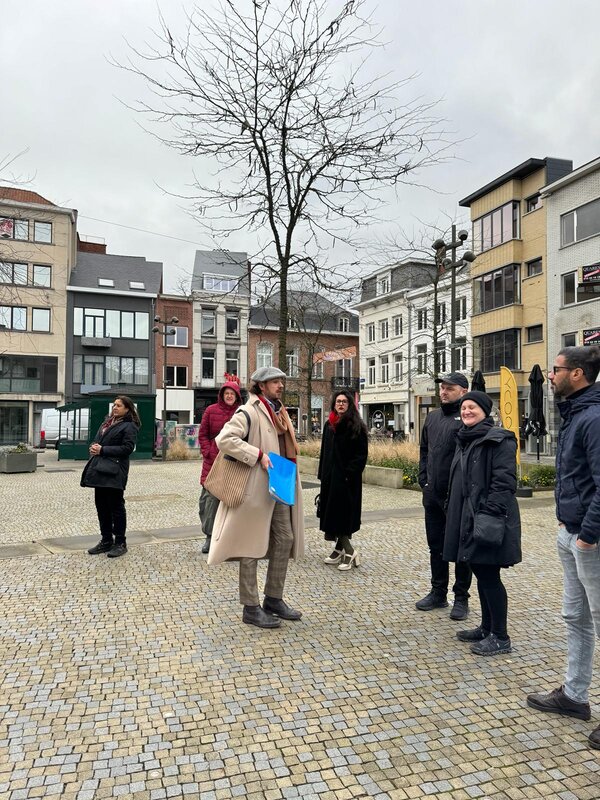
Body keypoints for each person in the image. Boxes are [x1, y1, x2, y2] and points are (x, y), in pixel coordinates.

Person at [526, 346, 600, 751]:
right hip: (571, 532)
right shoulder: (575, 413)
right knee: (575, 616)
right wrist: (565, 521)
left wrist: (588, 534)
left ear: (577, 374)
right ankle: (574, 696)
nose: (550, 376)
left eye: (556, 370)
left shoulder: (593, 416)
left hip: (590, 539)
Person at [207, 366, 305, 629]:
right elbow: (225, 439)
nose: (281, 385)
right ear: (261, 386)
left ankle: (274, 598)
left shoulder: (280, 412)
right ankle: (251, 607)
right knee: (249, 545)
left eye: (282, 381)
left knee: (285, 538)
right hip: (254, 490)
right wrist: (257, 455)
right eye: (275, 382)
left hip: (278, 487)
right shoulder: (248, 411)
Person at [443, 391, 522, 656]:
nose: (466, 411)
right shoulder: (465, 440)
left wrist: (488, 514)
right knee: (480, 570)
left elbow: (504, 483)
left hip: (487, 518)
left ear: (485, 411)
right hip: (468, 517)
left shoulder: (498, 440)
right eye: (464, 408)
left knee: (489, 575)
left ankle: (500, 636)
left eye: (472, 407)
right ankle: (487, 627)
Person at [416, 372, 471, 620]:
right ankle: (438, 592)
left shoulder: (467, 419)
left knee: (460, 548)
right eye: (442, 388)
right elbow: (424, 449)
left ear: (463, 391)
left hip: (458, 497)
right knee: (435, 545)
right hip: (433, 494)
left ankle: (461, 598)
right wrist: (423, 478)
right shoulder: (433, 417)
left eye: (449, 388)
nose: (443, 392)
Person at [81, 396, 141, 559]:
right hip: (99, 469)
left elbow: (127, 448)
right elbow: (98, 441)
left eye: (119, 405)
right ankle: (106, 540)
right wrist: (93, 447)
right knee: (101, 506)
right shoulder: (106, 423)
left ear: (127, 409)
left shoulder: (129, 426)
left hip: (115, 471)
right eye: (114, 405)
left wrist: (103, 450)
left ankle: (120, 543)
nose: (115, 407)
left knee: (116, 507)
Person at [317, 390, 368, 570]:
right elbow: (324, 452)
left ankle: (349, 551)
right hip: (330, 478)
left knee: (342, 514)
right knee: (331, 513)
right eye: (338, 401)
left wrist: (348, 474)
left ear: (349, 405)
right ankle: (339, 549)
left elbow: (361, 455)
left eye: (344, 402)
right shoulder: (328, 424)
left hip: (347, 480)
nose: (340, 404)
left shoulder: (357, 426)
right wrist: (322, 475)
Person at [198, 381, 242, 554]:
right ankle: (209, 536)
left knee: (231, 500)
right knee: (209, 501)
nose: (229, 396)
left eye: (232, 393)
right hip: (213, 461)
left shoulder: (242, 412)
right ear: (222, 395)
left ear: (237, 396)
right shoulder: (211, 410)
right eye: (227, 393)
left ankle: (229, 537)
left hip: (233, 462)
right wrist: (208, 452)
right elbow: (203, 434)